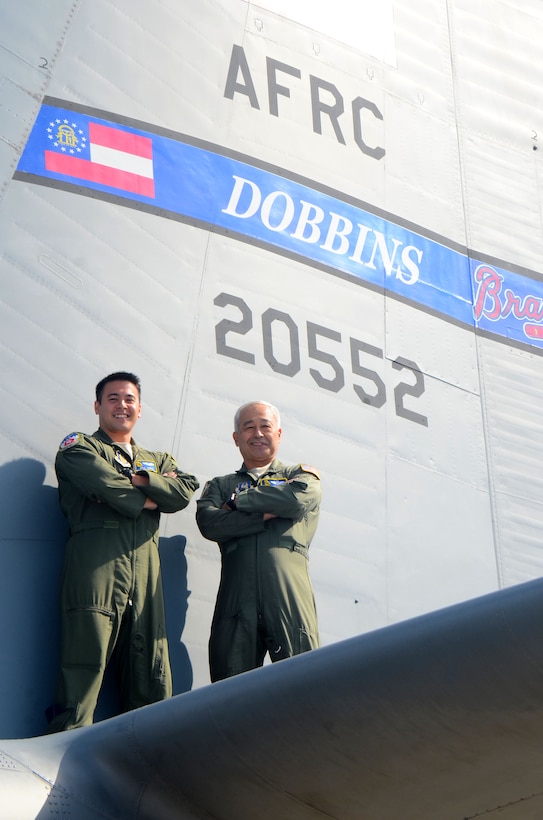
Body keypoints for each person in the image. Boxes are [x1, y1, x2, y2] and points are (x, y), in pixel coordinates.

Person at [46, 372, 199, 732]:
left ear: (140, 409)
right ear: (98, 406)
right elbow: (104, 483)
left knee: (150, 667)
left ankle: (152, 755)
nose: (122, 405)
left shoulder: (155, 459)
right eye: (112, 398)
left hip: (145, 567)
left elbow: (185, 490)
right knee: (85, 661)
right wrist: (151, 498)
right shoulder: (79, 447)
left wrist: (144, 480)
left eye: (129, 399)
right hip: (97, 563)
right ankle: (64, 747)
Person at [196, 400, 321, 682]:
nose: (258, 433)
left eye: (265, 426)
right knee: (229, 689)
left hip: (288, 596)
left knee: (303, 683)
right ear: (236, 438)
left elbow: (296, 499)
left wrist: (240, 502)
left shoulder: (300, 476)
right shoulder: (219, 485)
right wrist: (266, 513)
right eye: (248, 427)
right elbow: (210, 522)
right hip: (236, 599)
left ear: (278, 433)